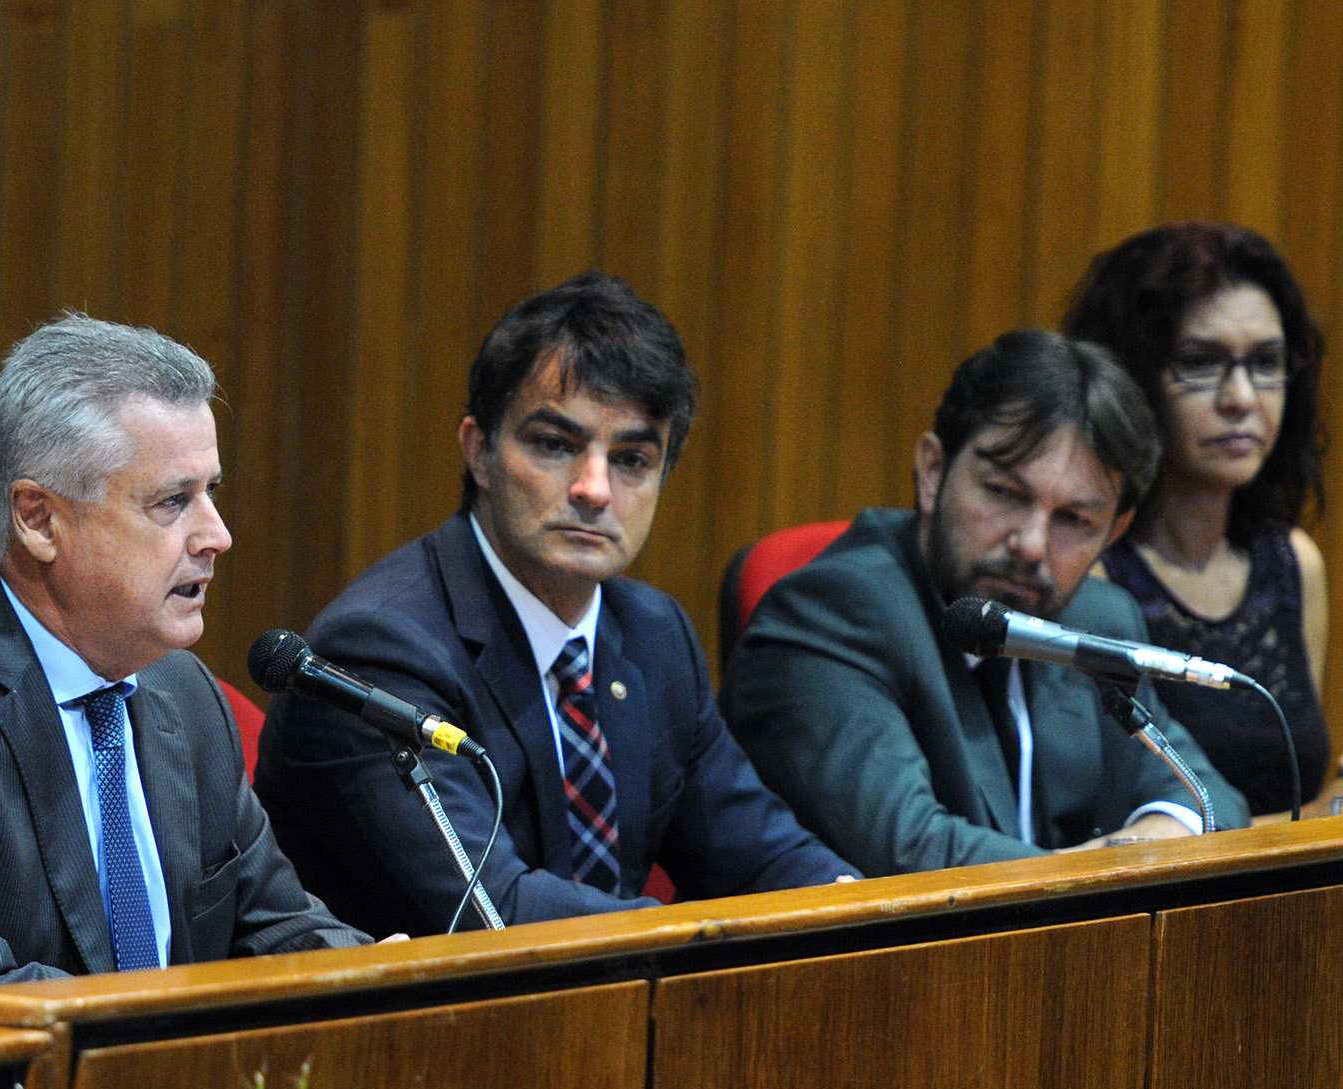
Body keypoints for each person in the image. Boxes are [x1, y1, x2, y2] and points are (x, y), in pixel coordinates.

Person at [253, 271, 858, 939]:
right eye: (555, 445)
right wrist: (711, 931)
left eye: (631, 459)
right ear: (479, 451)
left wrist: (853, 904)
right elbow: (498, 915)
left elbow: (761, 855)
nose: (594, 489)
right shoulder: (380, 650)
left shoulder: (653, 636)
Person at [0, 314, 368, 1021]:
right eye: (172, 501)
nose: (217, 535)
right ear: (39, 520)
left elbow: (275, 925)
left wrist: (375, 978)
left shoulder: (182, 693)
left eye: (212, 492)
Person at [721, 330, 1249, 877]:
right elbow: (910, 852)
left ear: (1114, 532)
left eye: (1074, 519)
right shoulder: (837, 611)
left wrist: (1155, 836)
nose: (1032, 545)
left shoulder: (1097, 620)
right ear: (931, 472)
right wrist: (1112, 869)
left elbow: (1211, 801)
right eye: (1003, 493)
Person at [1063, 222, 1331, 817]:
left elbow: (1301, 790)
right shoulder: (1091, 579)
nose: (1241, 398)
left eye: (1267, 362)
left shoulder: (1293, 564)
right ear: (1134, 380)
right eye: (1201, 362)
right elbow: (1110, 811)